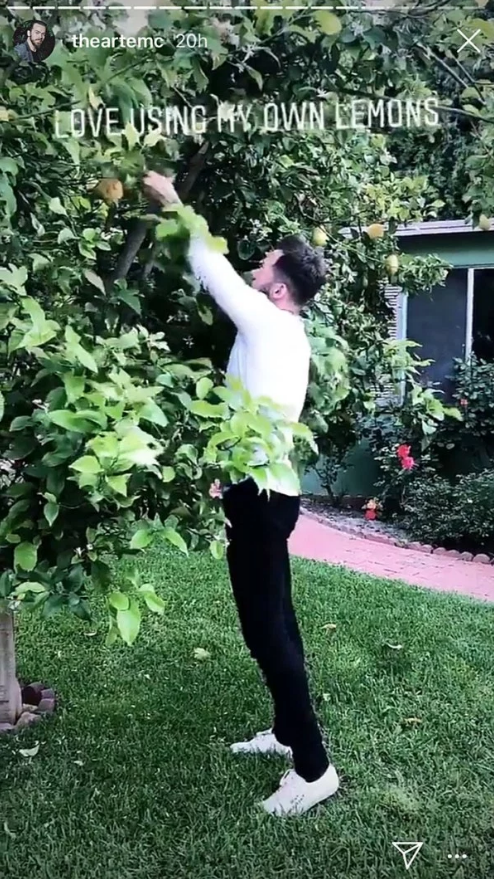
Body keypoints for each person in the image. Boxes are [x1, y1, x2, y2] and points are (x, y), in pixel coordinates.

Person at [143, 171, 340, 817]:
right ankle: (286, 733)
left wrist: (173, 201)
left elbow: (213, 268)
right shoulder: (289, 334)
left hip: (260, 498)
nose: (256, 266)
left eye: (266, 263)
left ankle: (312, 768)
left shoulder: (267, 319)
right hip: (265, 491)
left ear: (279, 285)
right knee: (277, 619)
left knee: (266, 631)